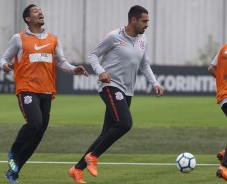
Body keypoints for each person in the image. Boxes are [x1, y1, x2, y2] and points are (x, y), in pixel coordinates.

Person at [68, 5, 164, 183]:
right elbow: (93, 55)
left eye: (148, 21)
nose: (147, 24)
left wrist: (155, 83)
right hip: (111, 86)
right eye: (144, 21)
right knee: (125, 123)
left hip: (127, 91)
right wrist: (101, 71)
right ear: (133, 20)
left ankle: (77, 169)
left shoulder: (143, 40)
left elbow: (144, 64)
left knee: (107, 133)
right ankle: (93, 156)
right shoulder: (114, 37)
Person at [0, 4, 89, 183]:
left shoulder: (53, 39)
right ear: (27, 19)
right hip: (27, 89)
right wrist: (4, 65)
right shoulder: (19, 38)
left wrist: (74, 70)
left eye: (40, 10)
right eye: (35, 11)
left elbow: (61, 62)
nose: (40, 12)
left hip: (47, 92)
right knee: (34, 123)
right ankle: (13, 152)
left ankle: (13, 172)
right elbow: (4, 58)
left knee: (38, 134)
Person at [208, 24, 227, 182]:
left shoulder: (225, 48)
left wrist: (224, 83)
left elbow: (211, 68)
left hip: (224, 99)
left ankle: (226, 154)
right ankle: (225, 167)